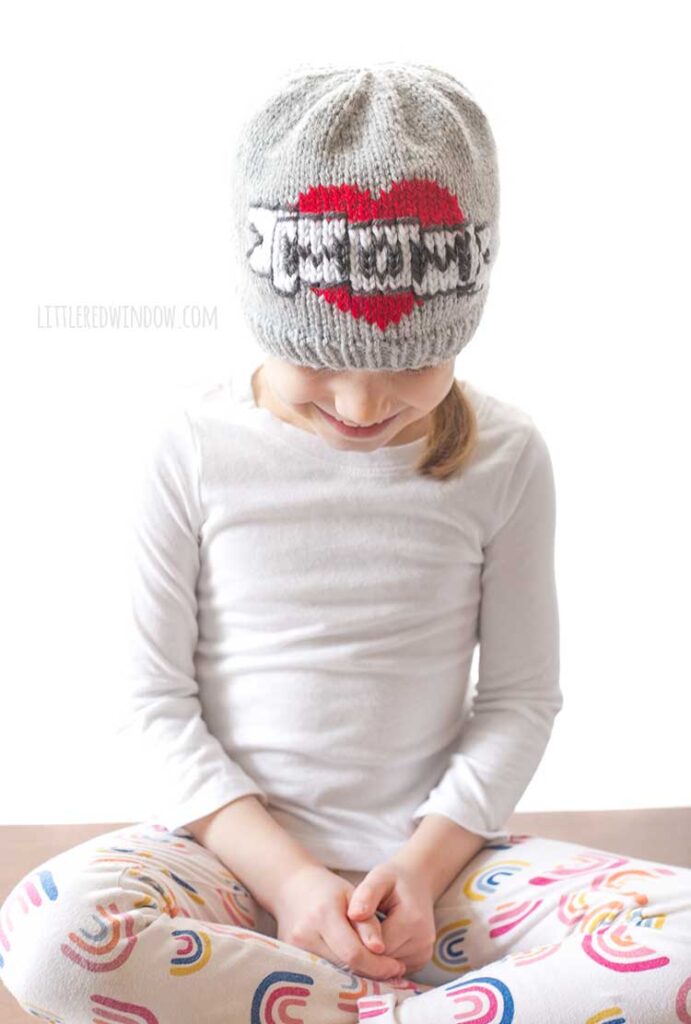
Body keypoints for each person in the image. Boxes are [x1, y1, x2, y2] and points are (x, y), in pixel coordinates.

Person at [2, 60, 690, 1024]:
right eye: (315, 361)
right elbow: (150, 703)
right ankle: (419, 1007)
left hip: (437, 886)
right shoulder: (191, 447)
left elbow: (520, 699)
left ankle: (340, 1005)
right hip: (226, 872)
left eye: (412, 362)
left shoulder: (506, 455)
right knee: (49, 934)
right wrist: (287, 884)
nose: (363, 404)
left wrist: (419, 864)